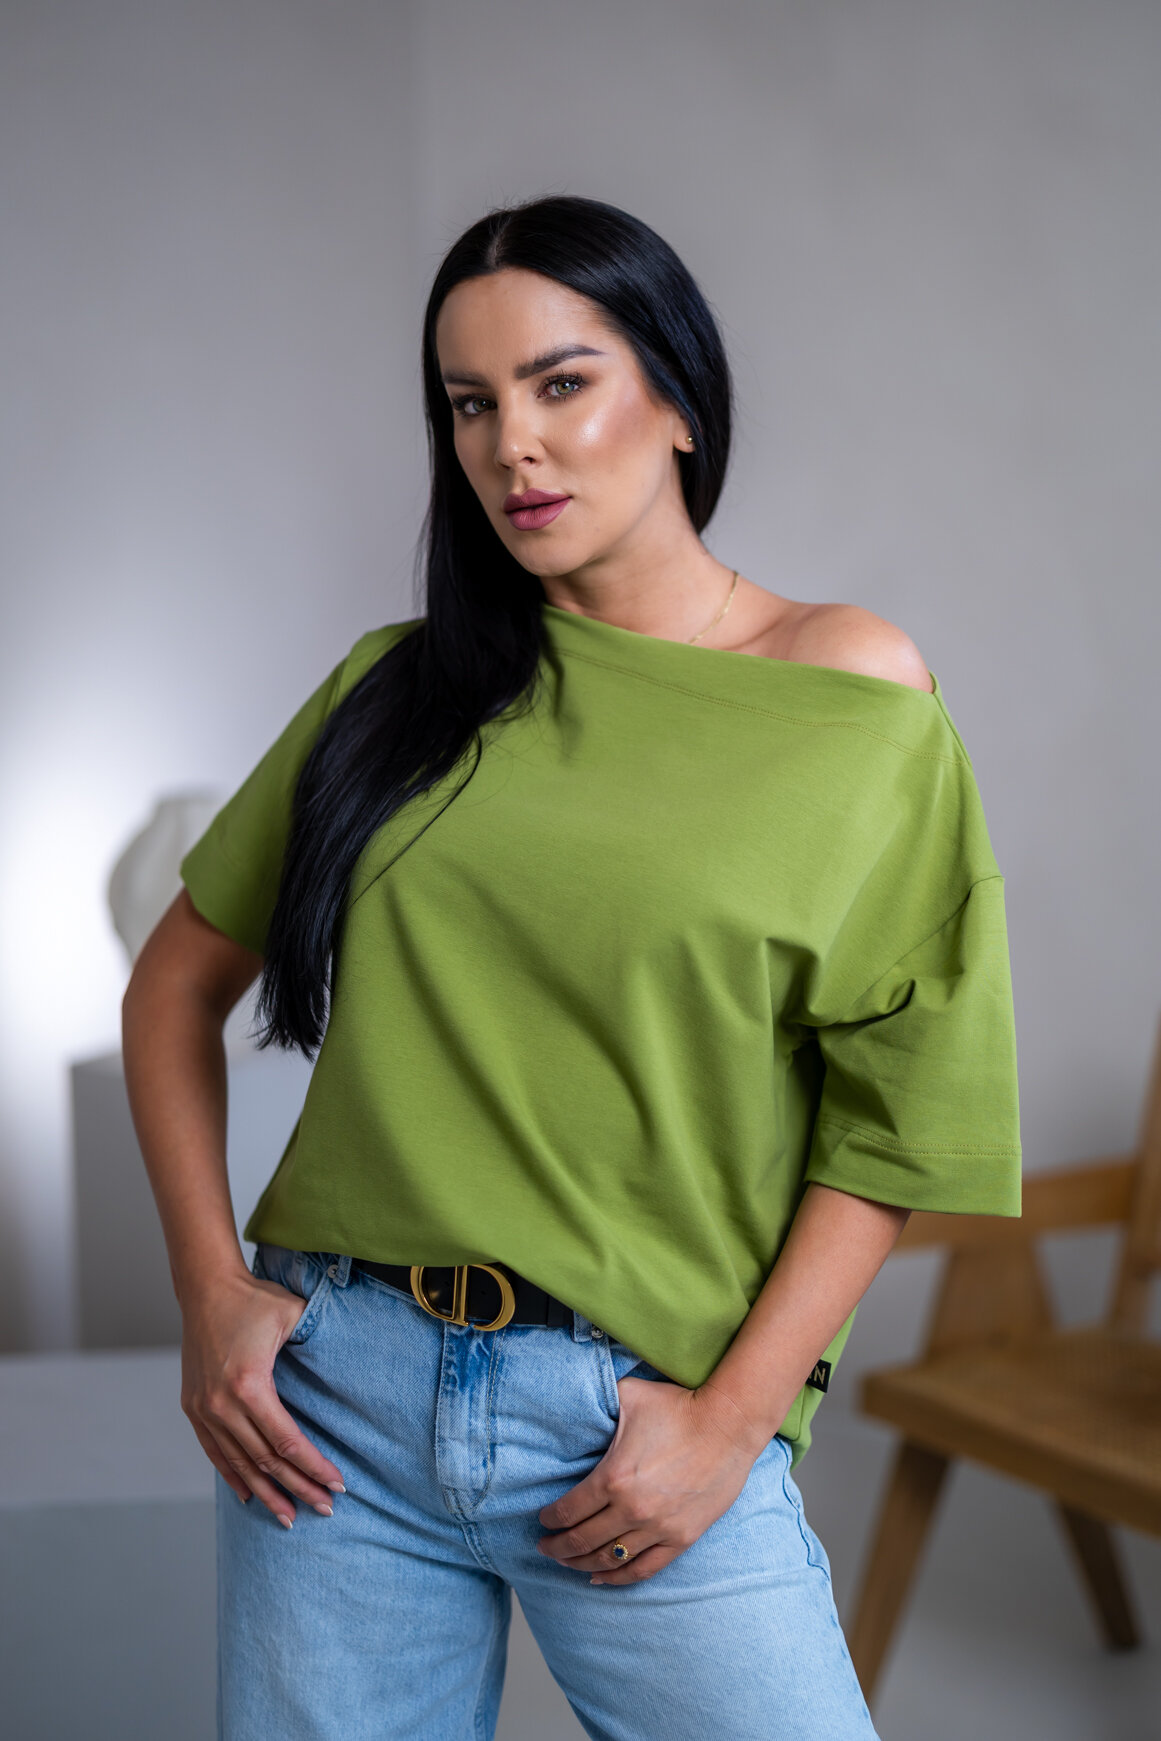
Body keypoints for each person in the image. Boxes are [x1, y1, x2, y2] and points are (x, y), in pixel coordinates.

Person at [122, 195, 1022, 1741]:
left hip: (632, 1416)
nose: (511, 445)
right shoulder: (395, 692)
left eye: (559, 383)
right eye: (469, 404)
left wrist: (732, 1421)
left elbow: (894, 1117)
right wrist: (209, 1292)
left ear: (676, 396)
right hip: (332, 1406)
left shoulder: (850, 689)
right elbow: (173, 983)